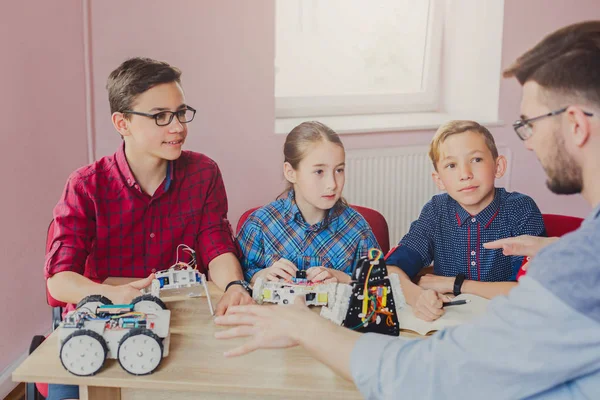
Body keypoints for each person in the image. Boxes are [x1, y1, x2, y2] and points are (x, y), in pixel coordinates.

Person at [215, 21, 600, 399]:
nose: (528, 143)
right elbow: (396, 269)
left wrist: (305, 329)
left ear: (575, 124)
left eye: (529, 124)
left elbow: (436, 374)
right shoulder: (577, 254)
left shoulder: (580, 263)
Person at [45, 57, 252, 400]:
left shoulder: (203, 173)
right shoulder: (86, 185)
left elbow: (216, 244)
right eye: (160, 117)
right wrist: (115, 294)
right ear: (122, 123)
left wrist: (233, 285)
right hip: (100, 328)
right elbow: (59, 279)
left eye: (181, 113)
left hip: (183, 325)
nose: (178, 127)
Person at [385, 120, 545, 321]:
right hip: (450, 323)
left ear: (498, 166)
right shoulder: (436, 211)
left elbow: (529, 292)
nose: (465, 174)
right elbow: (391, 269)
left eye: (476, 160)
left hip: (507, 322)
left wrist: (456, 284)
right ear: (439, 180)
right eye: (451, 165)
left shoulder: (521, 210)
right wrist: (418, 298)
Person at [237, 121, 379, 284]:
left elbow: (379, 287)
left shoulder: (358, 230)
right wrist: (260, 276)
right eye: (319, 171)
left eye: (339, 170)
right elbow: (237, 280)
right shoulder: (259, 226)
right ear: (290, 173)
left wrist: (345, 279)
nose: (332, 184)